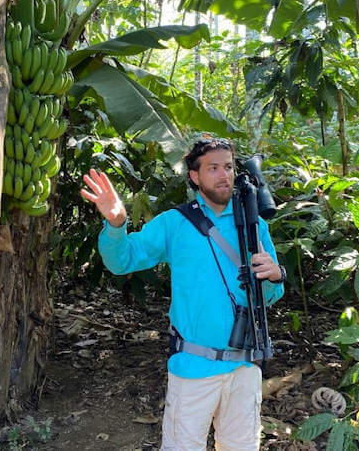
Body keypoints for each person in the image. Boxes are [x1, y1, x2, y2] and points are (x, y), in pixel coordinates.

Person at [80, 137, 284, 451]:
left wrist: (273, 277)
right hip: (193, 366)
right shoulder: (175, 223)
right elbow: (122, 261)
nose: (223, 175)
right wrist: (117, 224)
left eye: (228, 167)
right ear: (195, 176)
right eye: (213, 168)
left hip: (245, 367)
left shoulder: (254, 225)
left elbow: (270, 295)